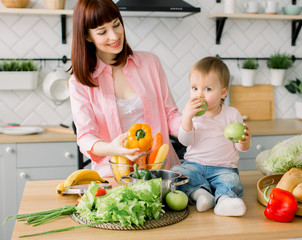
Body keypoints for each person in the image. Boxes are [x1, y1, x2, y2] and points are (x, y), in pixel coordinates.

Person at [68, 0, 182, 177]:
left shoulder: (150, 63)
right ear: (87, 36)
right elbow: (85, 137)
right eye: (102, 32)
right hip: (114, 174)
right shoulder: (80, 82)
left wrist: (193, 123)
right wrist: (112, 148)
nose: (114, 36)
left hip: (162, 171)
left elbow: (170, 115)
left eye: (116, 25)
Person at [171, 56, 252, 217]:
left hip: (223, 168)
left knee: (231, 181)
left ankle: (224, 201)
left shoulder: (231, 114)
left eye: (207, 89)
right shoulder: (192, 114)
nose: (199, 94)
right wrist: (186, 118)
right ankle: (201, 195)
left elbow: (241, 148)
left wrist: (245, 141)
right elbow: (185, 141)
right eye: (194, 88)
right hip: (194, 165)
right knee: (177, 172)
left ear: (223, 92)